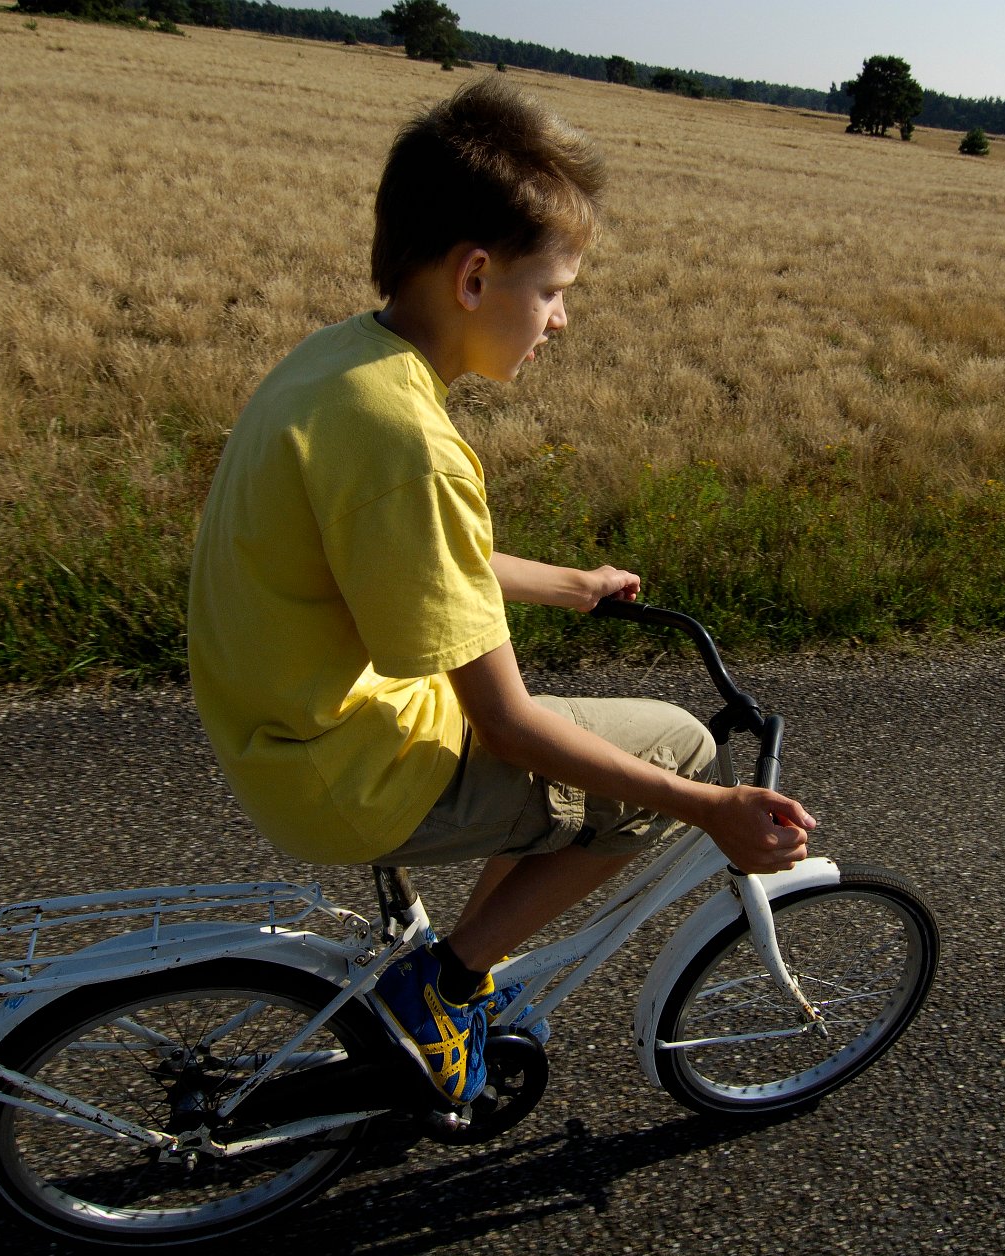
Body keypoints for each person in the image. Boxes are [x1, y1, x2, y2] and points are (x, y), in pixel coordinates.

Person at [188, 78, 815, 1108]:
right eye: (555, 288)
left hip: (281, 735)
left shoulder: (343, 365)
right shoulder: (413, 446)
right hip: (352, 770)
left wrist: (572, 584)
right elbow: (509, 725)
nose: (561, 319)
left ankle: (461, 973)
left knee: (602, 766)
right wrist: (714, 810)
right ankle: (443, 985)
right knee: (678, 749)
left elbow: (410, 556)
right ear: (475, 276)